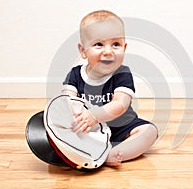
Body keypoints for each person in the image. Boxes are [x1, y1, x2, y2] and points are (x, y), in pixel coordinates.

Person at [62, 10, 158, 167]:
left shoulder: (122, 74)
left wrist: (95, 114)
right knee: (64, 130)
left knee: (149, 131)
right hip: (89, 130)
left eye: (116, 44)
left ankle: (110, 154)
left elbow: (120, 104)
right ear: (83, 50)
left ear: (124, 47)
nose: (108, 51)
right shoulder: (75, 75)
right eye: (98, 44)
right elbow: (66, 101)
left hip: (121, 127)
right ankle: (82, 150)